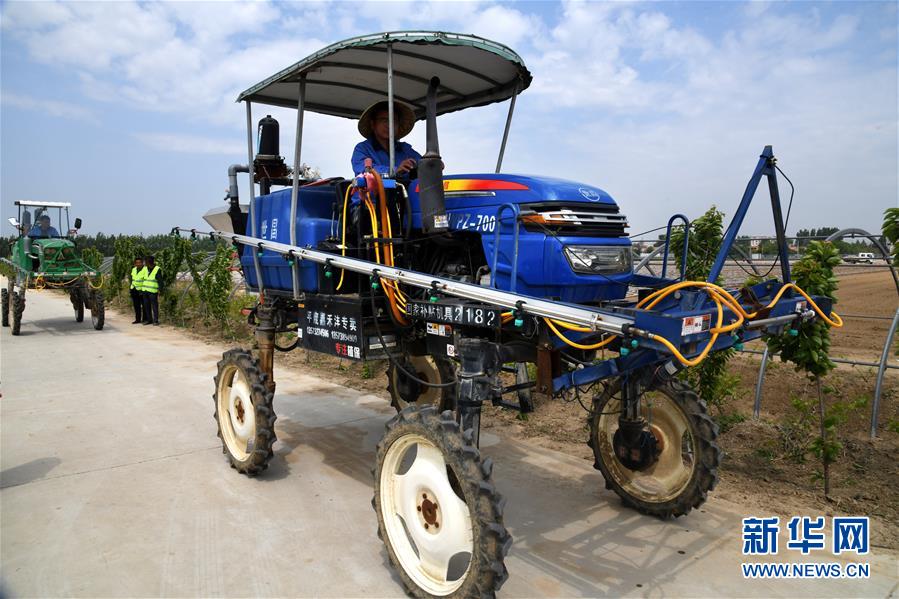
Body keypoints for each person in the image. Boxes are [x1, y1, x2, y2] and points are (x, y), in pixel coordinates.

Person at [351, 100, 421, 179]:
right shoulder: (362, 149)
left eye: (394, 121)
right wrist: (394, 171)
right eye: (384, 120)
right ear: (373, 124)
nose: (389, 125)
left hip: (405, 190)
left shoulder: (405, 149)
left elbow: (423, 163)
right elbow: (363, 170)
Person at [142, 255, 160, 326]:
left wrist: (160, 290)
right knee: (147, 306)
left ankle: (156, 320)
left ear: (149, 262)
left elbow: (160, 281)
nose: (144, 263)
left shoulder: (157, 269)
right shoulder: (145, 269)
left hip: (153, 291)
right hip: (145, 291)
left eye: (145, 261)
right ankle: (149, 320)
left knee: (154, 306)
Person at [129, 257, 146, 324]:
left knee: (144, 306)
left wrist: (143, 289)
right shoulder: (133, 269)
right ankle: (137, 319)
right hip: (134, 289)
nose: (138, 264)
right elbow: (132, 279)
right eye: (137, 263)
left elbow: (146, 280)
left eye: (140, 262)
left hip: (142, 290)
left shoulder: (145, 270)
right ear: (135, 264)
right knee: (136, 305)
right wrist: (131, 288)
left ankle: (144, 319)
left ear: (142, 263)